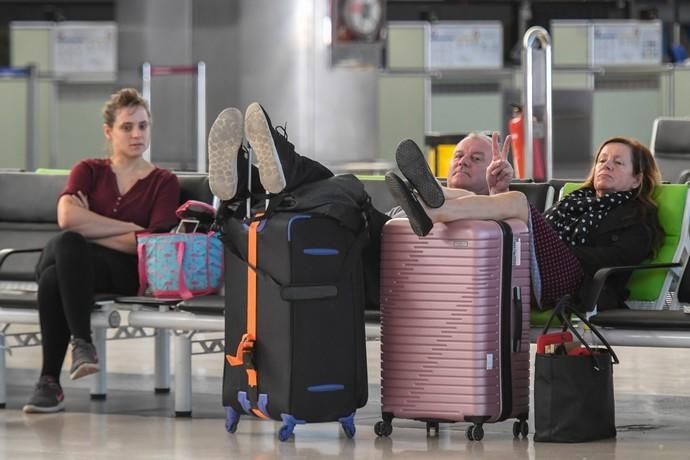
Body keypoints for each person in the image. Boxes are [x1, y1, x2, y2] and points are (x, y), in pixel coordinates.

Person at [206, 104, 515, 307]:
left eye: (476, 158)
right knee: (324, 192)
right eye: (459, 155)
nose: (463, 161)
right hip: (369, 248)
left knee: (347, 192)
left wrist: (496, 191)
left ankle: (275, 166)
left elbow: (510, 244)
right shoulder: (425, 192)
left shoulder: (495, 209)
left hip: (396, 272)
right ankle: (247, 182)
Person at [23, 88, 181, 413]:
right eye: (127, 127)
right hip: (79, 264)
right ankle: (80, 345)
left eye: (143, 125)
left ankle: (50, 382)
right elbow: (67, 218)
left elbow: (152, 242)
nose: (137, 134)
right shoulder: (89, 170)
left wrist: (89, 227)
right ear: (109, 132)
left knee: (57, 270)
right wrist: (131, 229)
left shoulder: (163, 182)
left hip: (125, 271)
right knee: (68, 244)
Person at [386, 137, 664, 311]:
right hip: (533, 267)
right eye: (602, 160)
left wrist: (555, 246)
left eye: (617, 162)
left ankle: (429, 209)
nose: (606, 165)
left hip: (573, 284)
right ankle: (426, 199)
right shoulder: (575, 200)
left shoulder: (638, 216)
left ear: (637, 179)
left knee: (518, 201)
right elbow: (543, 228)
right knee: (470, 197)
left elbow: (619, 256)